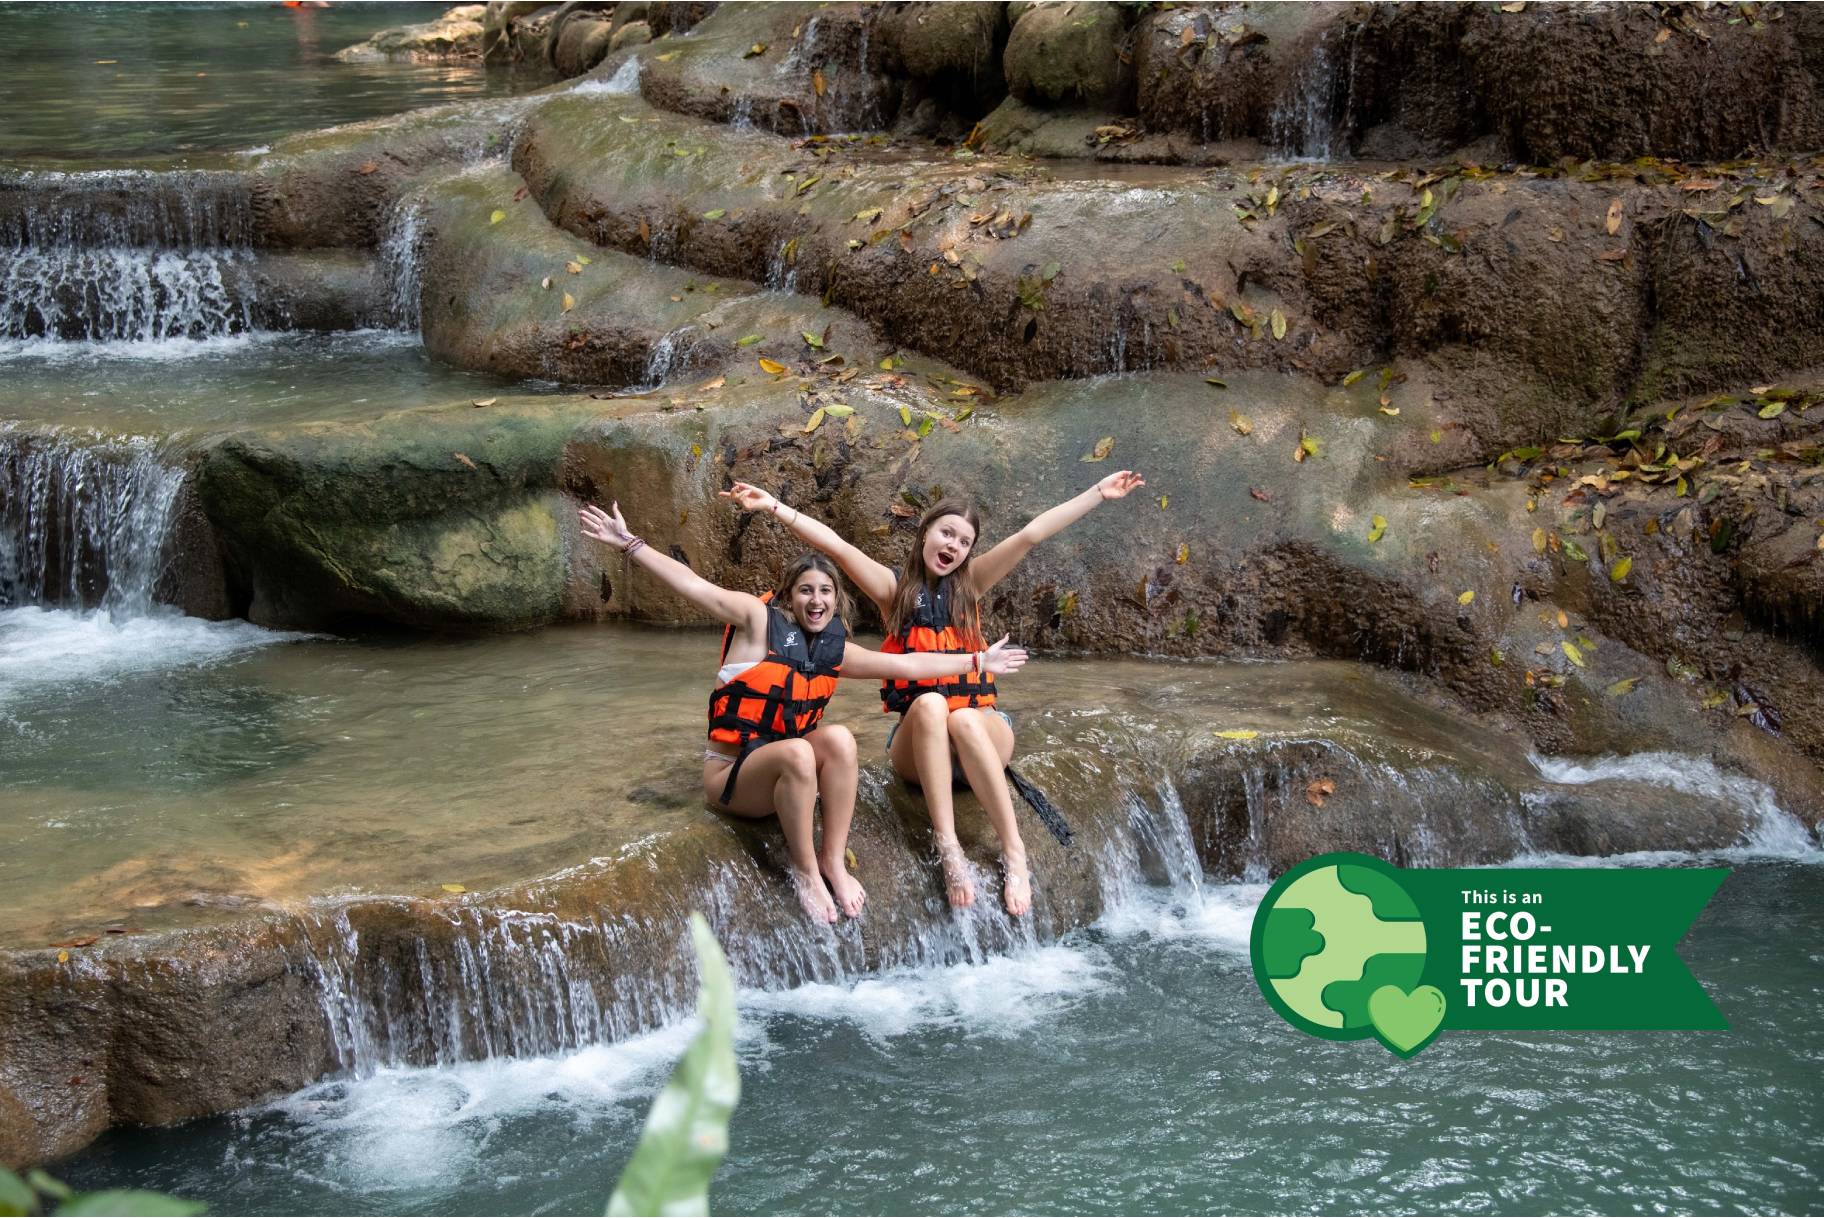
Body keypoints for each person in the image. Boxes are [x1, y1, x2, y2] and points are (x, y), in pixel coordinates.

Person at [578, 501, 1030, 924]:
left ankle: (833, 861)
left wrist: (977, 662)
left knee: (839, 739)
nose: (817, 600)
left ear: (837, 602)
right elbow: (694, 586)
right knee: (797, 751)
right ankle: (806, 871)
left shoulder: (832, 650)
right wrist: (630, 544)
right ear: (788, 598)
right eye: (806, 591)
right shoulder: (755, 621)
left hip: (786, 767)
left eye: (826, 592)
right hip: (734, 776)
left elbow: (906, 664)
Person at [719, 470, 1146, 916]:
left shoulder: (973, 585)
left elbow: (1031, 534)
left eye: (963, 541)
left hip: (982, 733)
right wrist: (774, 507)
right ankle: (949, 849)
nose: (953, 546)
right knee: (929, 703)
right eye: (946, 533)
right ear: (924, 533)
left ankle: (1014, 850)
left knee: (961, 718)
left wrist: (1097, 492)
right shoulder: (893, 593)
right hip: (920, 747)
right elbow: (838, 549)